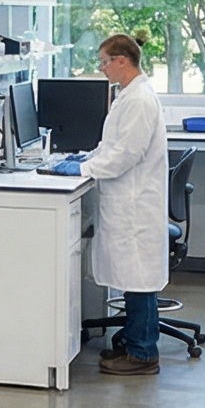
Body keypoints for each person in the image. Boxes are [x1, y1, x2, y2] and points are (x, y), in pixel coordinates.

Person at [49, 33, 168, 376]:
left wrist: (83, 168)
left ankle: (144, 353)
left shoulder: (139, 100)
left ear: (121, 61)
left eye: (104, 62)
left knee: (138, 280)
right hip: (128, 201)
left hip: (135, 206)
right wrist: (88, 156)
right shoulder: (128, 96)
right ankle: (135, 340)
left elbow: (125, 156)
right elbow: (112, 145)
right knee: (133, 277)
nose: (101, 69)